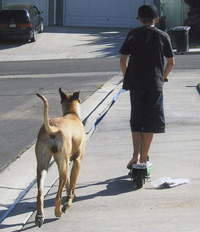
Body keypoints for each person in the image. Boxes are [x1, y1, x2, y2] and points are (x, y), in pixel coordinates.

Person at [119, 4, 175, 169]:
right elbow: (171, 62)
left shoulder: (132, 34)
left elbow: (123, 59)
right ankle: (144, 160)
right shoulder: (163, 36)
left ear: (139, 19)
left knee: (136, 120)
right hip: (154, 85)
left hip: (135, 84)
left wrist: (126, 76)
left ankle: (135, 156)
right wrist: (163, 78)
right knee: (150, 122)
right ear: (156, 20)